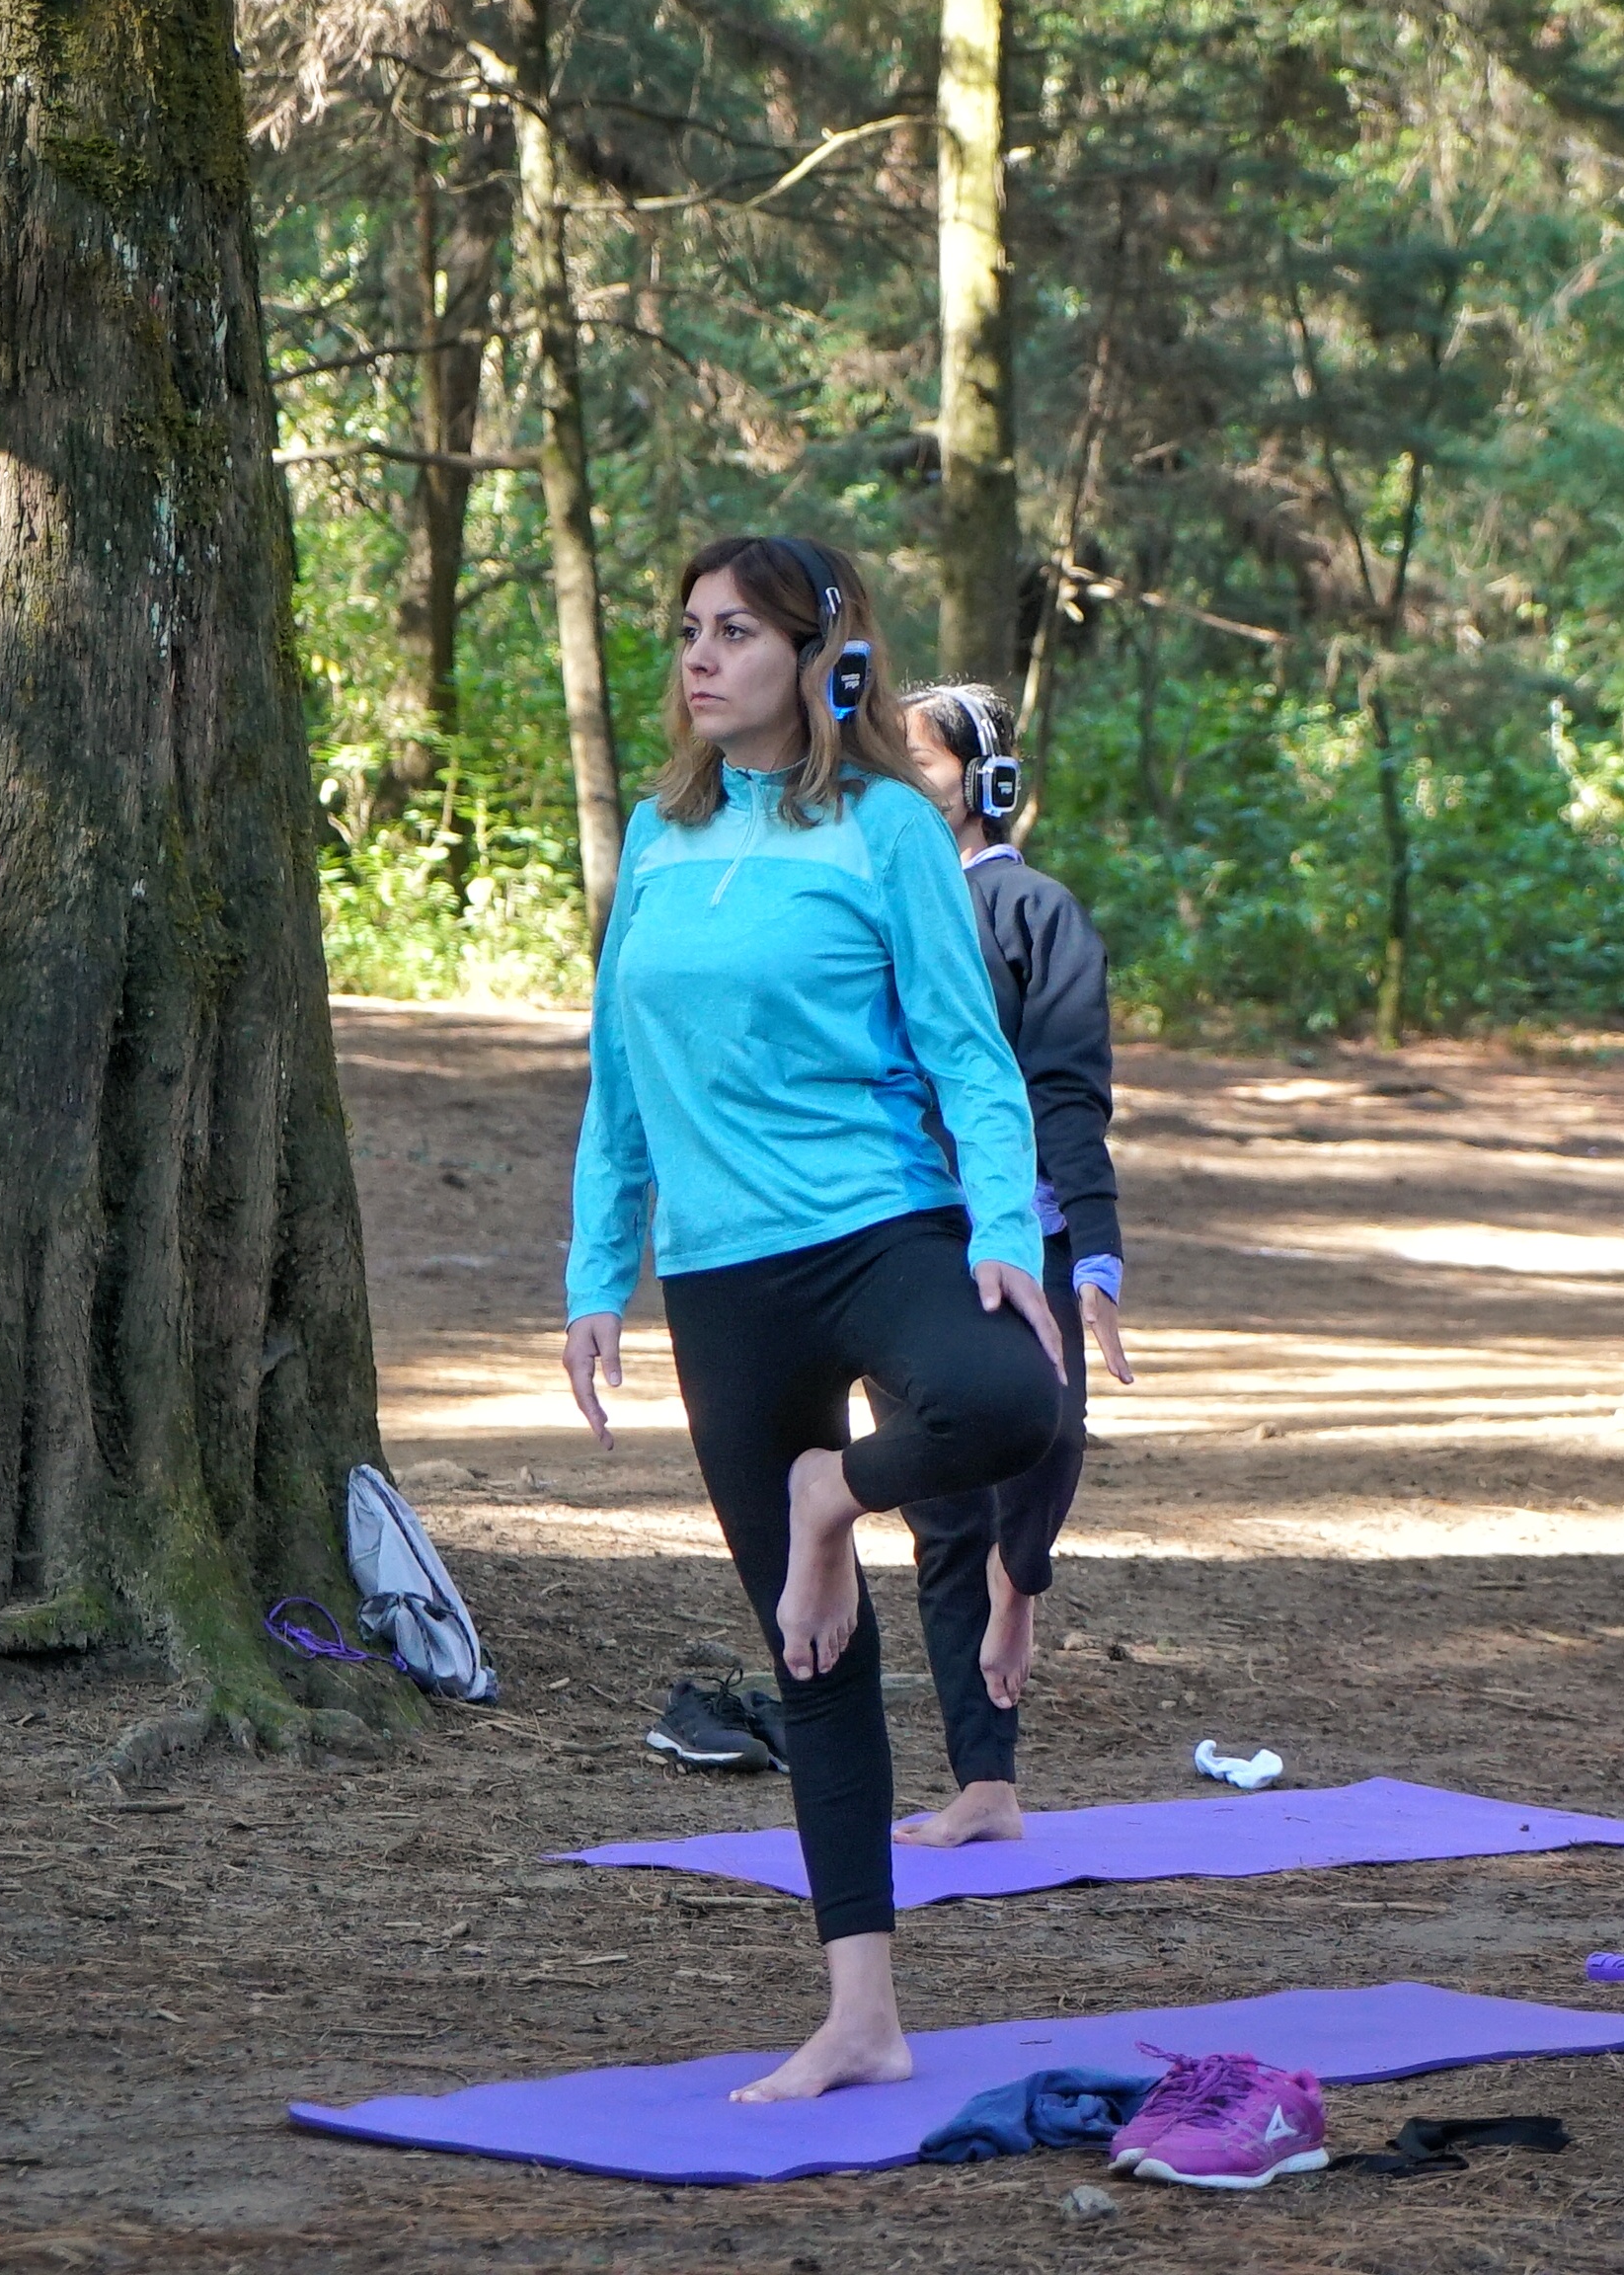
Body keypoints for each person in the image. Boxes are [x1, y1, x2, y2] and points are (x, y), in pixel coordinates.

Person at [561, 536, 1064, 2103]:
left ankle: (829, 1495)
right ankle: (863, 2014)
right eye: (690, 630)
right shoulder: (655, 834)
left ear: (818, 656)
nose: (701, 659)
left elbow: (971, 1051)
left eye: (737, 633)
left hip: (880, 1227)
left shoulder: (887, 831)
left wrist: (1002, 1231)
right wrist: (598, 1271)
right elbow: (619, 1081)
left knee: (1012, 1404)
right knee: (810, 1658)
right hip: (723, 1277)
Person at [887, 681, 1131, 1849]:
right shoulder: (873, 904)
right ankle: (983, 1780)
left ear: (984, 784)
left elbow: (1070, 1091)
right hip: (893, 1227)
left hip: (1021, 1226)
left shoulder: (1036, 911)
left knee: (1046, 1435)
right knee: (940, 1512)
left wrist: (1095, 1250)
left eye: (920, 763)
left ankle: (1018, 1584)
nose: (897, 779)